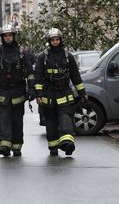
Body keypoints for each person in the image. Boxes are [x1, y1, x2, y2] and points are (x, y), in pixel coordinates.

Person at [34, 28, 87, 156]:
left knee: (65, 118)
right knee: (51, 123)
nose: (55, 42)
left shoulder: (68, 56)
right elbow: (38, 77)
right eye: (53, 40)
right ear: (49, 41)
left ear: (61, 40)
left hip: (64, 93)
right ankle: (53, 146)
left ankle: (68, 144)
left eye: (57, 39)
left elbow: (75, 76)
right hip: (48, 95)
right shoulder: (42, 57)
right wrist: (39, 94)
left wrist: (82, 93)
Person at [0, 25, 36, 157]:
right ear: (3, 38)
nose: (8, 38)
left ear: (14, 36)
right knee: (4, 120)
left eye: (10, 35)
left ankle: (17, 146)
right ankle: (5, 146)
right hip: (3, 92)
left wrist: (32, 89)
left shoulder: (21, 53)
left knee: (17, 121)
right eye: (5, 36)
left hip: (19, 92)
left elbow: (30, 73)